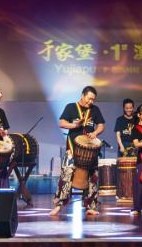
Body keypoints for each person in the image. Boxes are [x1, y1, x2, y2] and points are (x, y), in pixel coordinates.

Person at [50, 86, 105, 216]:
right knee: (66, 175)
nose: (91, 101)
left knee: (93, 177)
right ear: (82, 95)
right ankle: (59, 204)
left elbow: (101, 125)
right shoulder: (71, 107)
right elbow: (62, 123)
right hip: (72, 148)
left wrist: (95, 133)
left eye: (93, 99)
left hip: (89, 150)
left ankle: (91, 206)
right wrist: (75, 125)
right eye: (89, 98)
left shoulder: (95, 110)